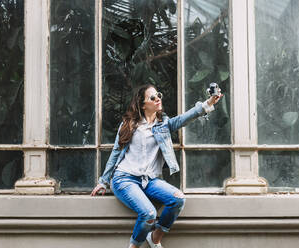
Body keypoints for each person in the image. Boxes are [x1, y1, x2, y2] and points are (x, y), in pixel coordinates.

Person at [91, 84, 222, 248]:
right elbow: (115, 153)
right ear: (142, 104)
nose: (158, 98)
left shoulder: (164, 125)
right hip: (124, 179)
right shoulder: (129, 125)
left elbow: (184, 118)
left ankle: (155, 238)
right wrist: (103, 181)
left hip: (150, 181)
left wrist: (209, 103)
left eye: (158, 95)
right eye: (152, 97)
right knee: (148, 213)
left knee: (178, 199)